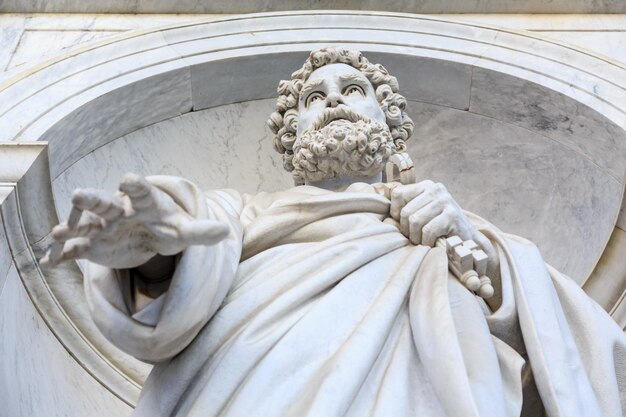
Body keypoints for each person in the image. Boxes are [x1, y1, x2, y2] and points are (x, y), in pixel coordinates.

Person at [42, 47, 626, 417]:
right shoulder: (243, 211)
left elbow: (580, 353)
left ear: (391, 123)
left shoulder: (454, 227)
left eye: (353, 91)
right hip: (257, 394)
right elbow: (189, 232)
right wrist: (149, 248)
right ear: (293, 137)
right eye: (314, 99)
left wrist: (479, 249)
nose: (334, 103)